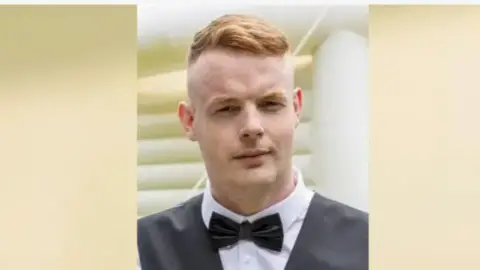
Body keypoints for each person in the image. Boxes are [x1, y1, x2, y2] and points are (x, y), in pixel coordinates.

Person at [137, 14, 368, 270]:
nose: (252, 127)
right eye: (227, 109)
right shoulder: (137, 250)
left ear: (296, 108)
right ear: (189, 121)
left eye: (270, 104)